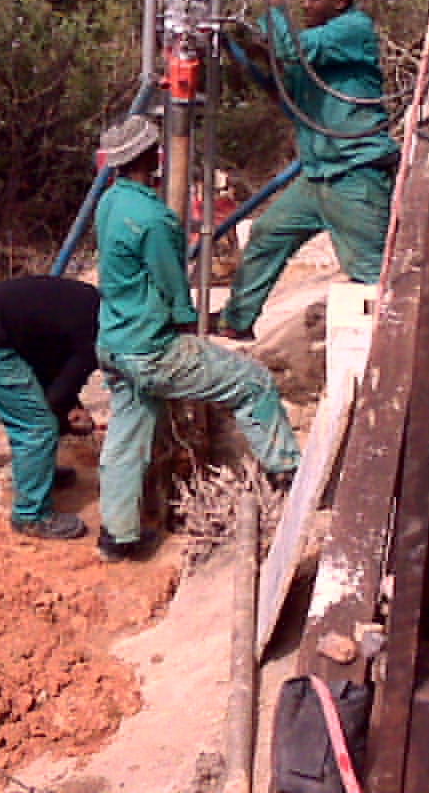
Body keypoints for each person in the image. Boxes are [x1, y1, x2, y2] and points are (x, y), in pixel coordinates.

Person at [93, 114, 300, 561]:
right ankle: (290, 477)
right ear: (153, 157)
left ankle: (118, 537)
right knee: (252, 383)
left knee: (127, 436)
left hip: (114, 344)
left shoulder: (109, 203)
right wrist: (198, 324)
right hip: (152, 349)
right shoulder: (155, 218)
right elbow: (173, 289)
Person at [217, 0, 398, 341]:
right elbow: (282, 91)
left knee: (371, 272)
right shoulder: (315, 53)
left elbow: (286, 48)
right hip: (318, 174)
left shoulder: (352, 29)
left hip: (354, 175)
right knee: (267, 234)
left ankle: (393, 348)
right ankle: (237, 320)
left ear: (340, 1)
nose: (304, 4)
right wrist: (235, 50)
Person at [0, 275, 101, 541]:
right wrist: (71, 417)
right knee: (36, 424)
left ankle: (39, 477)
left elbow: (51, 365)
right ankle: (31, 516)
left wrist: (69, 407)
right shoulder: (92, 338)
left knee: (39, 411)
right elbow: (59, 397)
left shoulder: (93, 307)